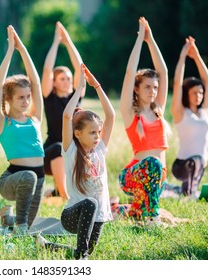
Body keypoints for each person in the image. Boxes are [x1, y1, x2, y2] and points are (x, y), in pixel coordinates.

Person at [0, 25, 44, 234]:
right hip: (11, 180)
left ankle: (6, 217)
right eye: (20, 97)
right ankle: (19, 228)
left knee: (30, 222)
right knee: (24, 226)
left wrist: (22, 49)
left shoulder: (35, 119)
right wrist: (10, 51)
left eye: (28, 97)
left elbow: (36, 84)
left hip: (38, 180)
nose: (26, 100)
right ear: (9, 99)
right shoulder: (1, 123)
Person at [61, 63, 115, 260]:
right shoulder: (71, 151)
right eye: (92, 132)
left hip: (98, 216)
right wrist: (80, 89)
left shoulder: (100, 150)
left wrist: (97, 86)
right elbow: (67, 116)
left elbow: (111, 115)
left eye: (99, 132)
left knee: (86, 251)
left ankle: (50, 246)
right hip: (72, 216)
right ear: (77, 133)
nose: (97, 136)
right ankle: (80, 259)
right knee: (90, 203)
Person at [118, 17, 169, 223]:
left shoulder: (159, 111)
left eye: (155, 87)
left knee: (137, 214)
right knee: (153, 163)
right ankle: (152, 221)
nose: (153, 91)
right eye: (147, 87)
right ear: (137, 90)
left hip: (158, 179)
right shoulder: (130, 113)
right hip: (132, 176)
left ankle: (124, 210)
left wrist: (151, 40)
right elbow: (130, 73)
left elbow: (163, 72)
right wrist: (140, 39)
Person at [42, 22, 85, 200]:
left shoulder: (76, 98)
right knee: (60, 148)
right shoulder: (49, 97)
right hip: (49, 154)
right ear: (53, 82)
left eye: (68, 78)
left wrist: (68, 43)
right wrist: (55, 43)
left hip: (72, 153)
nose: (67, 81)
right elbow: (46, 70)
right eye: (62, 78)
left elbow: (80, 69)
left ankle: (56, 193)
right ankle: (65, 198)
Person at [170, 36, 208, 199]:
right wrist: (183, 57)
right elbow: (178, 83)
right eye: (194, 92)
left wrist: (197, 56)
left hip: (200, 165)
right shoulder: (181, 113)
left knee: (199, 163)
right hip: (183, 165)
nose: (199, 95)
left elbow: (207, 80)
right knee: (196, 161)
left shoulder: (203, 112)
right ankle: (188, 193)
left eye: (201, 92)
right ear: (186, 94)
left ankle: (181, 192)